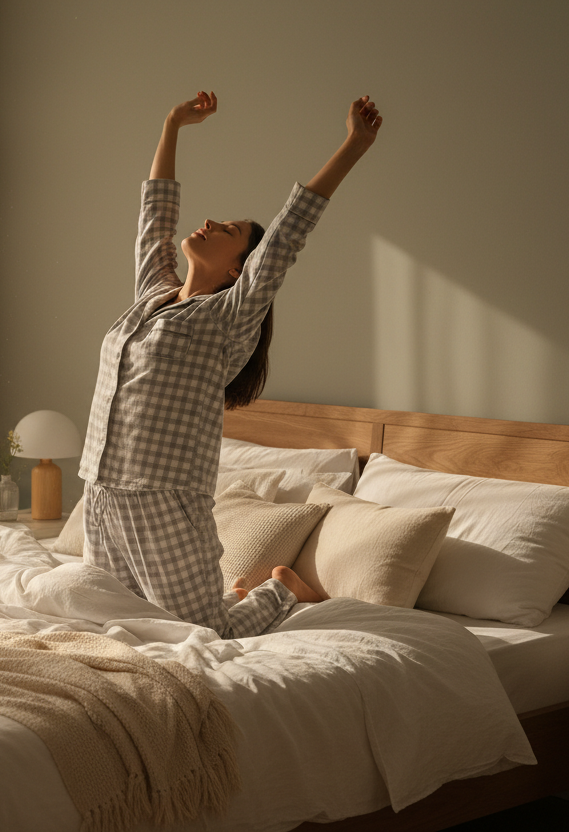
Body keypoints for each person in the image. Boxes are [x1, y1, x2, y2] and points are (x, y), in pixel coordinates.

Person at [79, 90, 382, 638]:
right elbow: (155, 217)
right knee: (114, 627)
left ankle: (282, 590)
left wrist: (354, 145)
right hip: (100, 490)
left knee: (207, 634)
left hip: (164, 500)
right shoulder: (153, 295)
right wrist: (172, 125)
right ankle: (233, 595)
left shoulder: (228, 318)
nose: (212, 221)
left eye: (230, 231)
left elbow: (288, 234)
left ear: (239, 270)